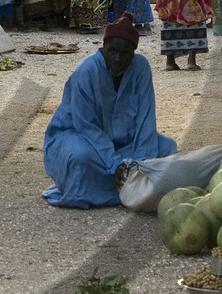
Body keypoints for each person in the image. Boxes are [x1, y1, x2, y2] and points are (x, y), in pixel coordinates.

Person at [42, 13, 176, 208]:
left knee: (167, 148)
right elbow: (86, 127)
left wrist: (142, 164)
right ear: (103, 46)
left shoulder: (141, 67)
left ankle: (133, 186)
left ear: (133, 53)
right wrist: (115, 165)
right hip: (80, 137)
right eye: (113, 51)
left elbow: (146, 119)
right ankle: (120, 187)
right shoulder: (86, 71)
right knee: (80, 157)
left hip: (123, 143)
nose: (118, 59)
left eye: (125, 53)